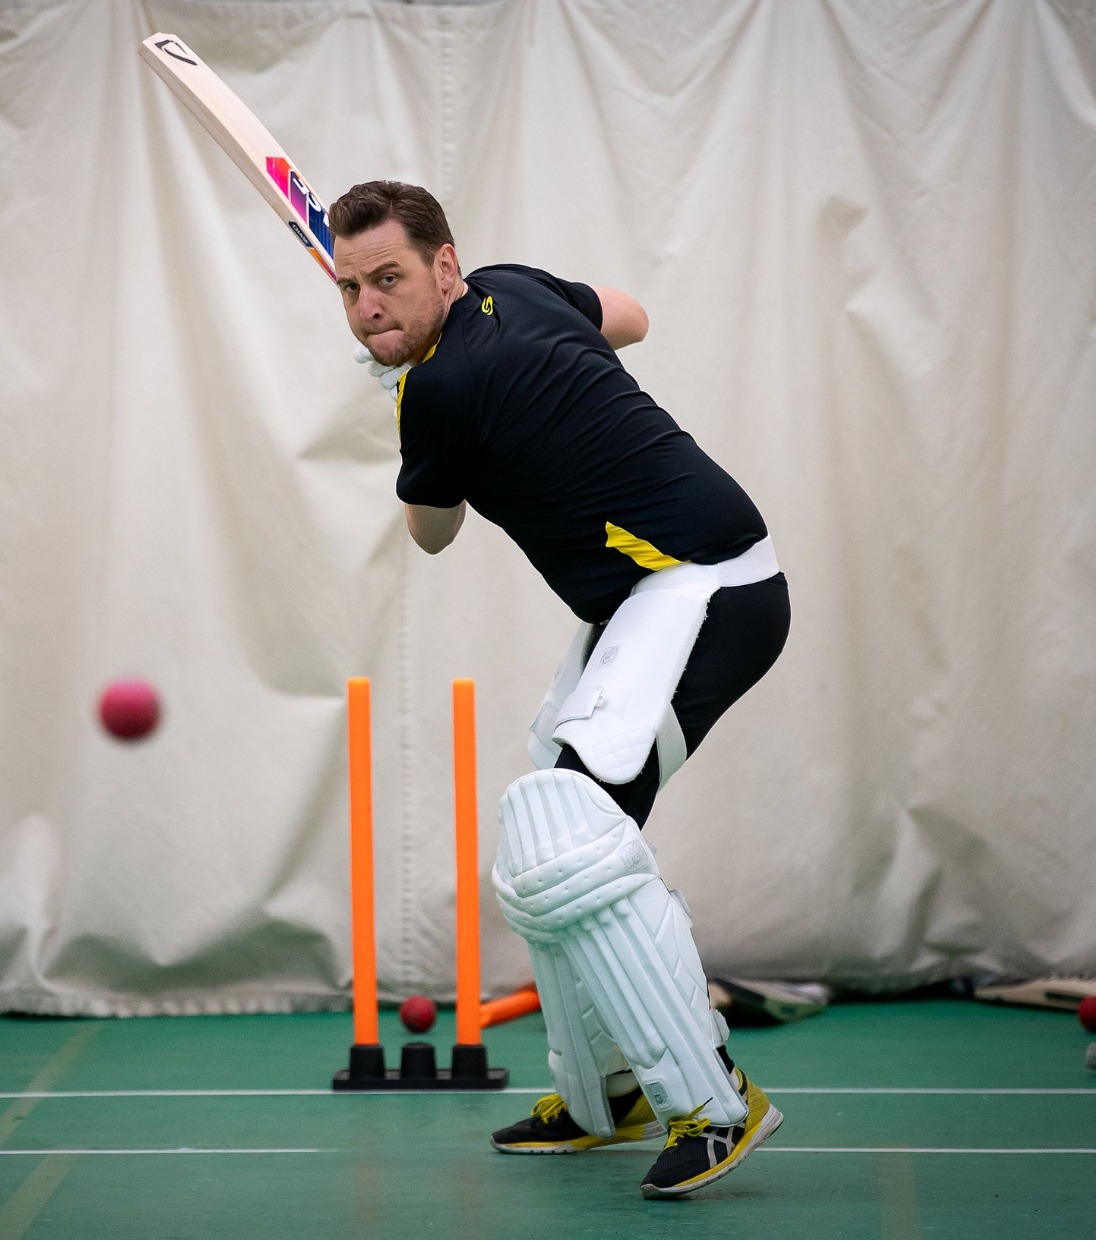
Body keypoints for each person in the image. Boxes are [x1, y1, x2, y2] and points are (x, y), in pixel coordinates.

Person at [328, 181, 789, 1199]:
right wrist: (535, 372)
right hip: (643, 593)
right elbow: (627, 314)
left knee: (574, 828)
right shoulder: (515, 289)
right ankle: (601, 1094)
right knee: (548, 833)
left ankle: (710, 1101)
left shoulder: (436, 391)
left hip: (706, 582)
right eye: (351, 287)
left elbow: (432, 531)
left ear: (443, 266)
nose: (369, 307)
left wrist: (415, 398)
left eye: (390, 280)